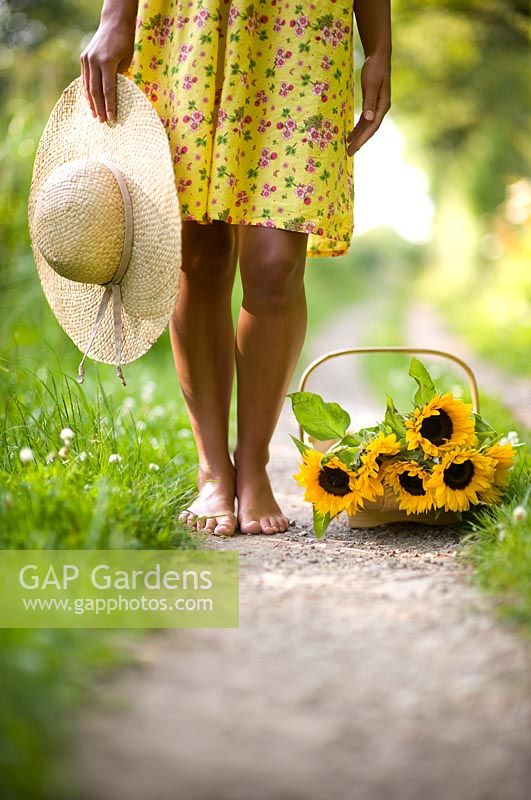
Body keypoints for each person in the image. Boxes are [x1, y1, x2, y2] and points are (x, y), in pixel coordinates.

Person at [81, 0, 392, 536]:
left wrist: (380, 46)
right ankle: (212, 470)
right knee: (197, 254)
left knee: (275, 265)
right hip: (190, 23)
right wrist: (115, 14)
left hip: (301, 29)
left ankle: (252, 464)